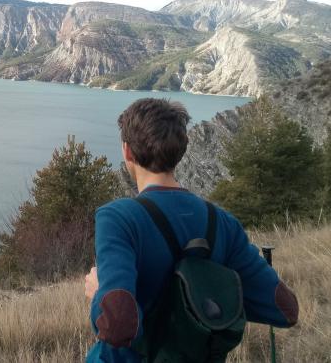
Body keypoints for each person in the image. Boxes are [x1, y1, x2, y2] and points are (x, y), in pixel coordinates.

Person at [84, 98, 299, 362]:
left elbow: (116, 327)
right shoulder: (223, 222)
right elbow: (285, 310)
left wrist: (97, 294)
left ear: (127, 152)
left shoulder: (118, 218)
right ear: (181, 151)